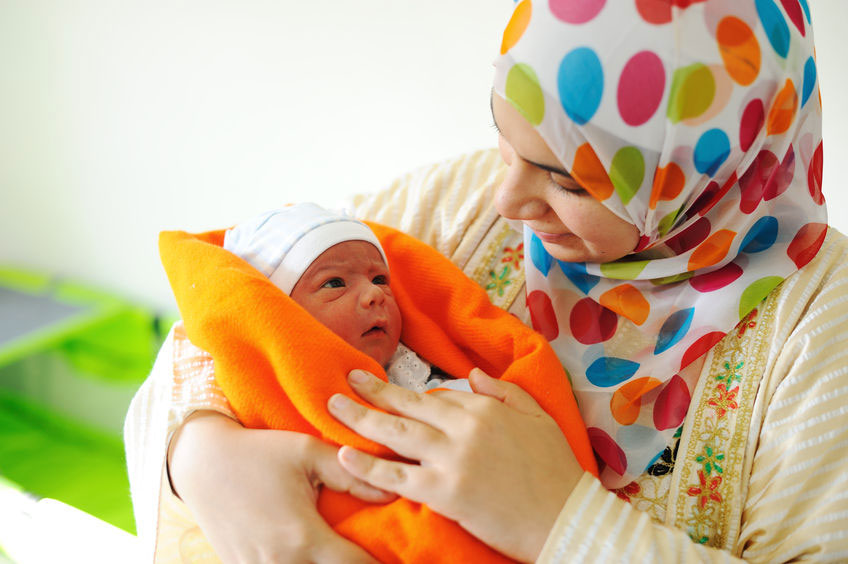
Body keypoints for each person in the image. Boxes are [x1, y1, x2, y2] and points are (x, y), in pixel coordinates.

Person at [125, 1, 848, 562]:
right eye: (505, 136)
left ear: (707, 176)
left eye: (569, 181)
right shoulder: (465, 200)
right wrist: (204, 456)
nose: (511, 203)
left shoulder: (824, 331)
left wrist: (557, 520)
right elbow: (224, 319)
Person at [152, 201, 595, 562]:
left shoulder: (420, 363)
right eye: (335, 283)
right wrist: (198, 451)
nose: (375, 293)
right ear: (283, 318)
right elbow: (192, 357)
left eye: (380, 278)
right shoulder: (273, 382)